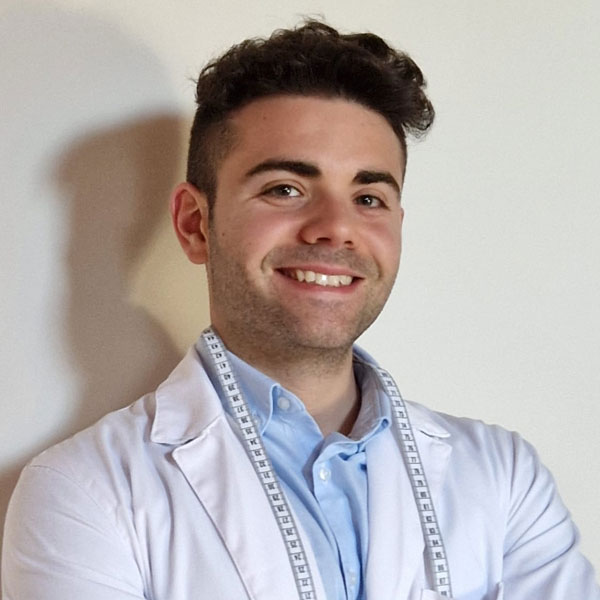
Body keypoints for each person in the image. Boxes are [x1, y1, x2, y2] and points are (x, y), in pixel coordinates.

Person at [2, 20, 599, 600]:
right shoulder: (82, 492)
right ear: (195, 224)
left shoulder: (505, 477)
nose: (336, 227)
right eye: (285, 188)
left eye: (369, 197)